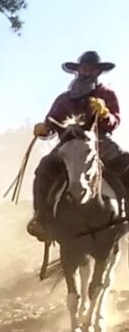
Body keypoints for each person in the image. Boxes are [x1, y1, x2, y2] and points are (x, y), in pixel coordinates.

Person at [27, 51, 129, 241]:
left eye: (92, 68)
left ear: (98, 72)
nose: (87, 71)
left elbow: (114, 122)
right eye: (84, 68)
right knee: (44, 169)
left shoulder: (106, 94)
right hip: (68, 143)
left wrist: (105, 113)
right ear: (78, 70)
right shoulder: (63, 99)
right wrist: (44, 130)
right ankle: (42, 219)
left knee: (127, 163)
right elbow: (51, 124)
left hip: (100, 142)